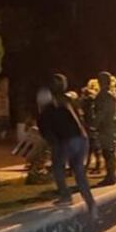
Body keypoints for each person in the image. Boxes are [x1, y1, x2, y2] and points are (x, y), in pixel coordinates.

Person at [37, 75, 96, 217]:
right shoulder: (69, 101)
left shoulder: (49, 108)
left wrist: (54, 145)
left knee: (58, 167)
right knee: (79, 171)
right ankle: (91, 203)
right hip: (81, 138)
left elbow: (47, 131)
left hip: (67, 140)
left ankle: (65, 196)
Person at [93, 71, 116, 186]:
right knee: (109, 151)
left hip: (106, 126)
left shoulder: (104, 94)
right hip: (110, 125)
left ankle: (110, 176)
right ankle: (111, 175)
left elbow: (102, 112)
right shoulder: (112, 94)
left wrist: (95, 124)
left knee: (108, 151)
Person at [80, 83, 101, 174]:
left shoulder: (87, 103)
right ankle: (95, 166)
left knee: (91, 148)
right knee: (93, 149)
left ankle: (88, 167)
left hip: (89, 127)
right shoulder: (93, 103)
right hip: (93, 127)